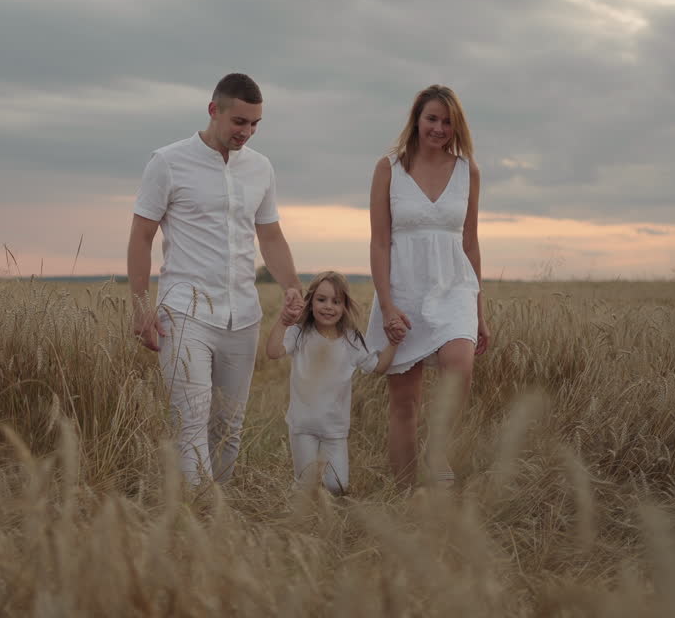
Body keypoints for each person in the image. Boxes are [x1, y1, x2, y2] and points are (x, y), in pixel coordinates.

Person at [127, 72, 305, 486]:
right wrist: (139, 307)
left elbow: (271, 234)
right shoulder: (167, 162)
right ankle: (196, 515)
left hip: (242, 316)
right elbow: (141, 235)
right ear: (214, 110)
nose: (247, 132)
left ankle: (218, 515)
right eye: (239, 122)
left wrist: (292, 285)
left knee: (228, 424)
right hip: (184, 312)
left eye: (255, 124)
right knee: (189, 420)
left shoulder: (261, 168)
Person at [366, 84, 492, 487]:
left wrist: (479, 310)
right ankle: (405, 495)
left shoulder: (467, 170)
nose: (439, 128)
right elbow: (379, 241)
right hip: (403, 291)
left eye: (447, 121)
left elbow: (470, 242)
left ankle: (439, 456)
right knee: (405, 404)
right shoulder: (389, 168)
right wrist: (387, 306)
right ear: (416, 120)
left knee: (460, 367)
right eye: (432, 119)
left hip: (455, 288)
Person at [265, 271, 401, 495]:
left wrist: (394, 343)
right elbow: (272, 352)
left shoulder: (351, 340)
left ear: (345, 305)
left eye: (336, 301)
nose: (328, 306)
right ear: (310, 302)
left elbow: (378, 367)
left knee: (337, 486)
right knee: (306, 484)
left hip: (334, 428)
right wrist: (283, 321)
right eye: (321, 299)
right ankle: (301, 518)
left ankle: (327, 510)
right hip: (303, 425)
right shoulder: (300, 334)